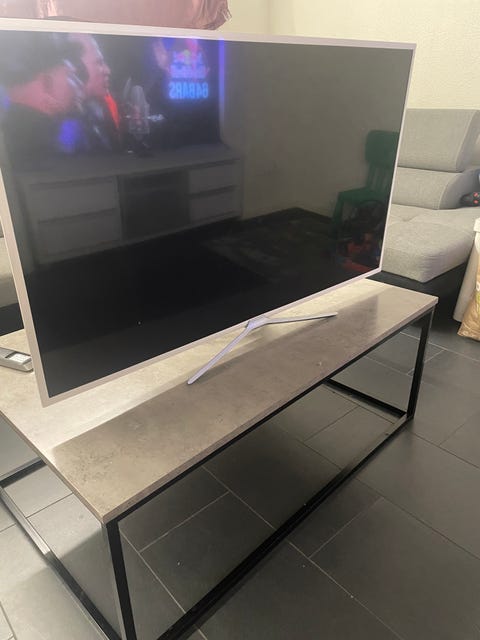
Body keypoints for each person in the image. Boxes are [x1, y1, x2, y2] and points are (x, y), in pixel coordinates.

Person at [0, 32, 82, 168]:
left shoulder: (13, 131)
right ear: (47, 83)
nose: (79, 84)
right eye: (71, 76)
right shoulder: (41, 149)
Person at [58, 33, 120, 153]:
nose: (108, 70)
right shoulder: (69, 130)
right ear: (76, 68)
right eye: (99, 62)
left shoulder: (95, 111)